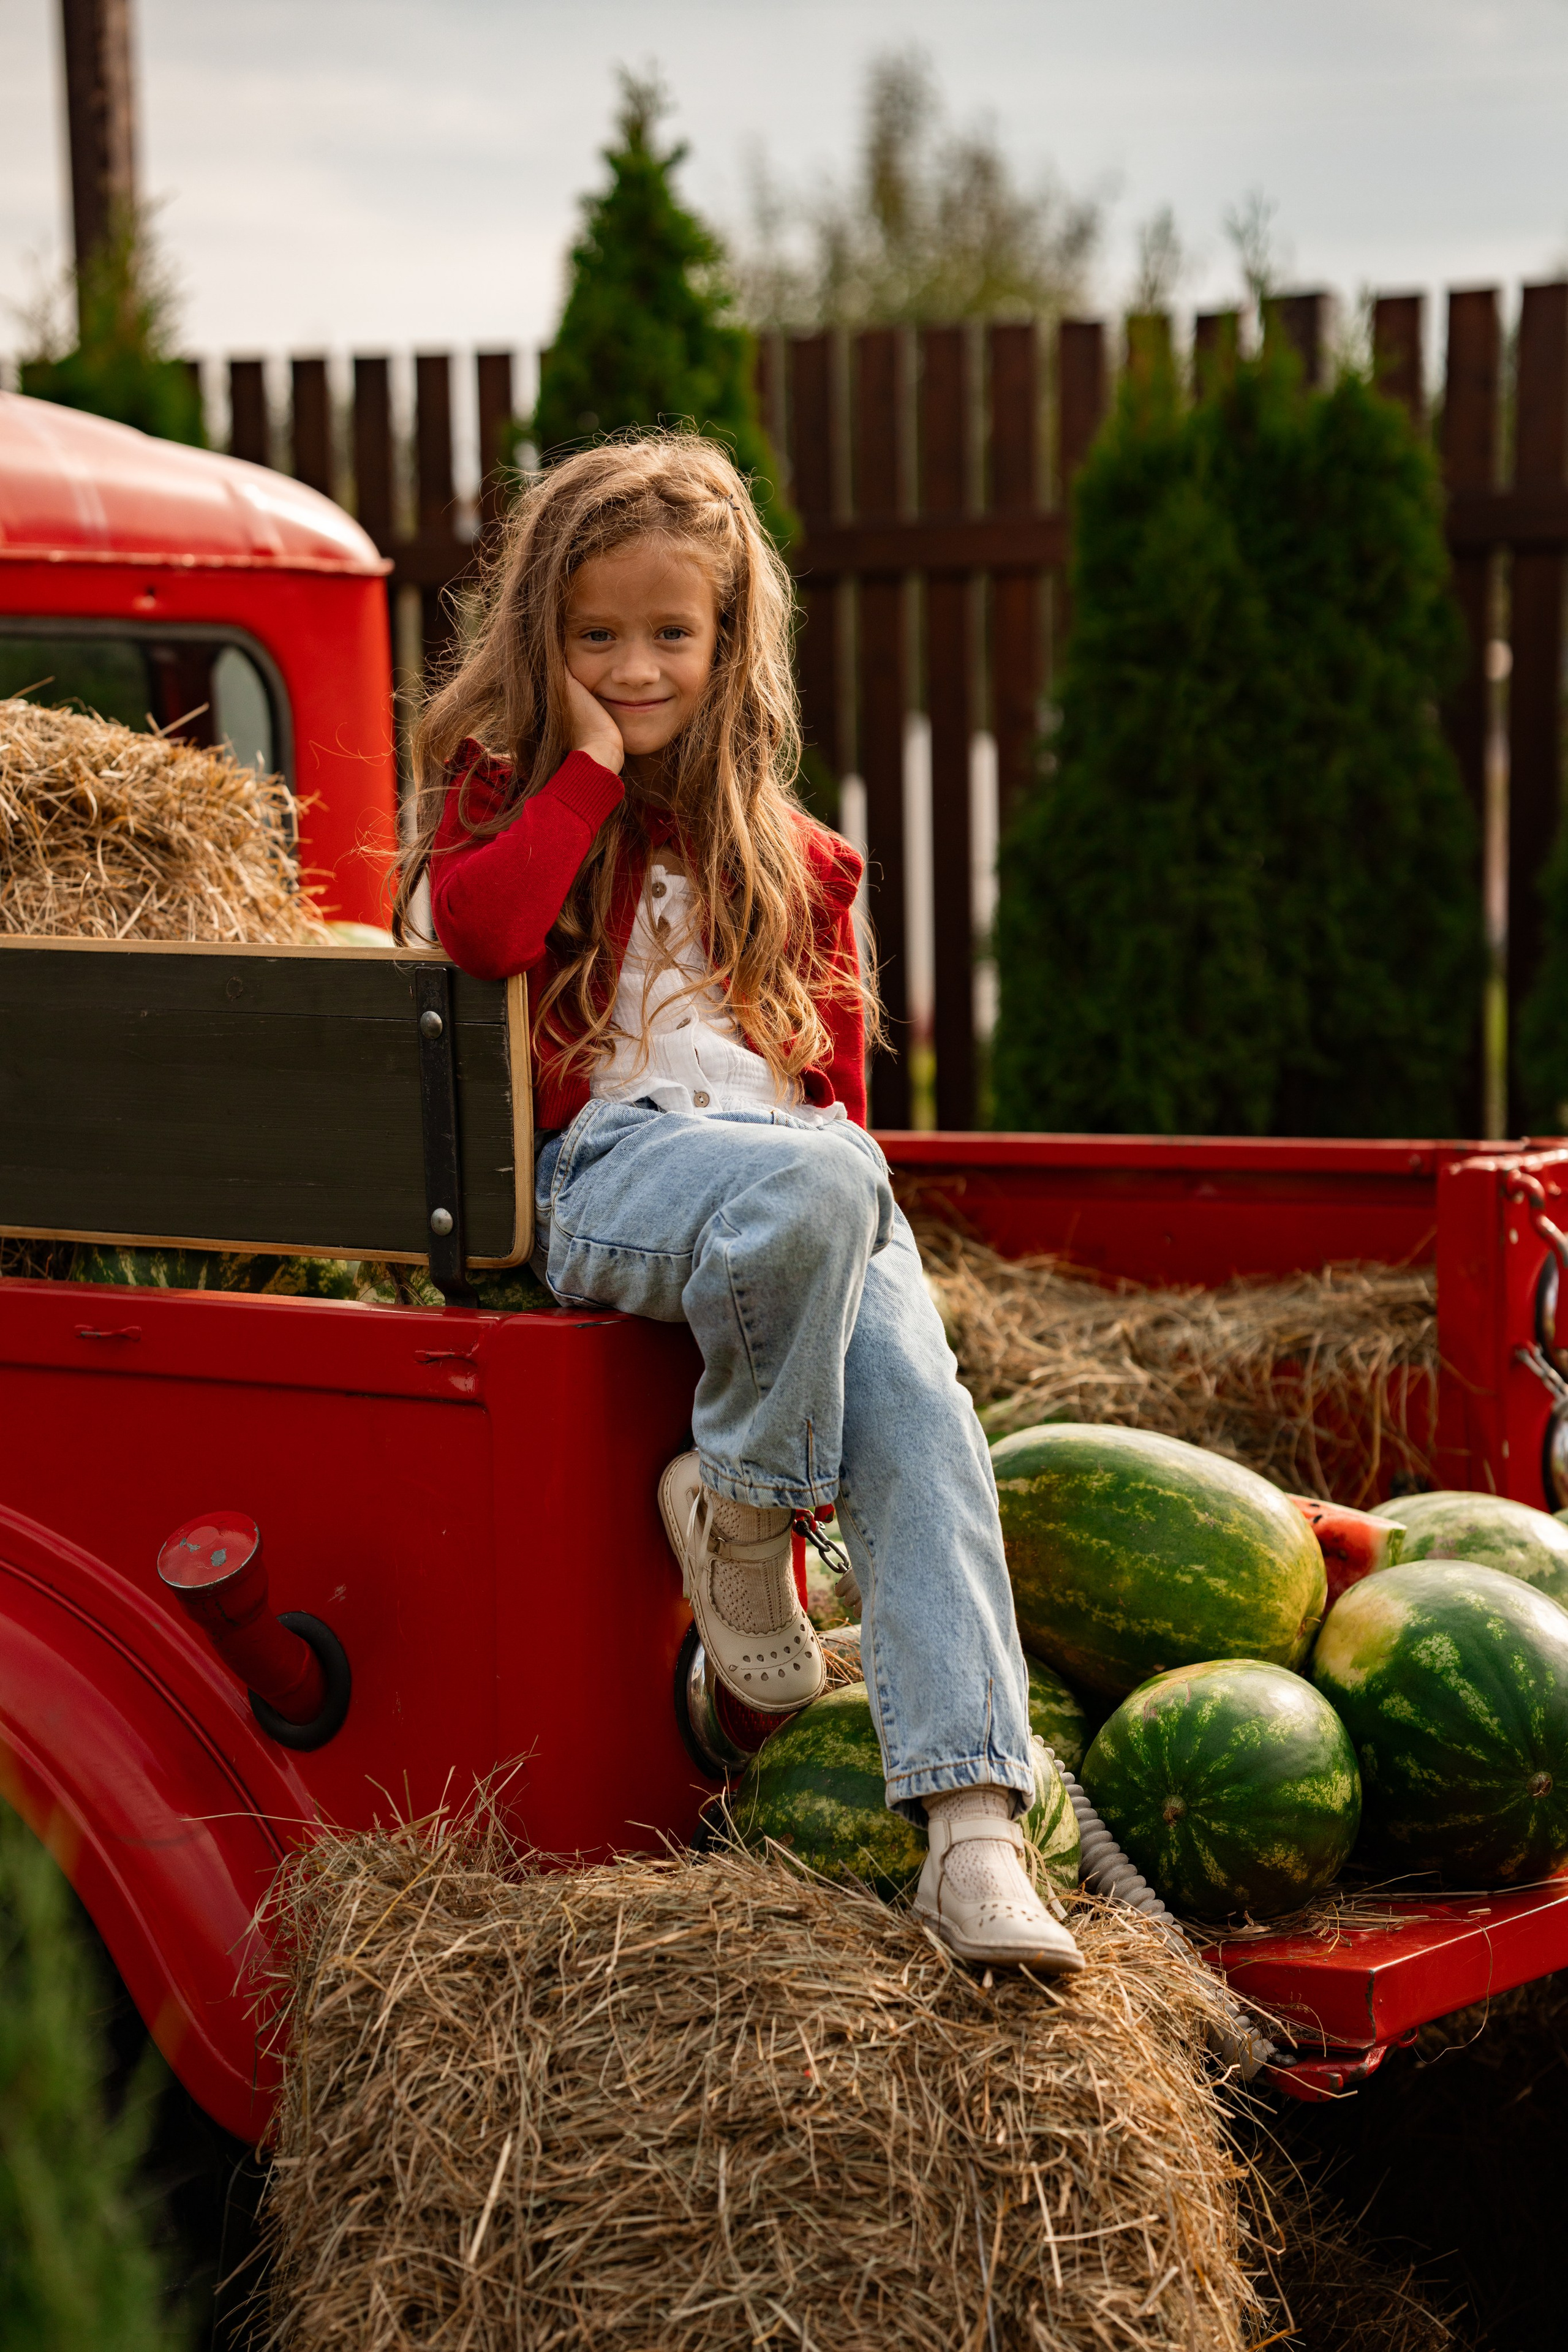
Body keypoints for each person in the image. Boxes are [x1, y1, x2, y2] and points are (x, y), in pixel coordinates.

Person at [395, 435, 1081, 1975]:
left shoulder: (796, 858)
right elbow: (489, 937)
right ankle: (748, 1503)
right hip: (607, 1180)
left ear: (728, 642)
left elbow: (827, 1085)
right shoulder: (503, 801)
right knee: (826, 1186)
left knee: (921, 1410)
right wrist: (582, 771)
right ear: (543, 643)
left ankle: (972, 1837)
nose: (635, 666)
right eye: (597, 636)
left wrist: (847, 1208)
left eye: (669, 635)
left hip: (803, 1188)